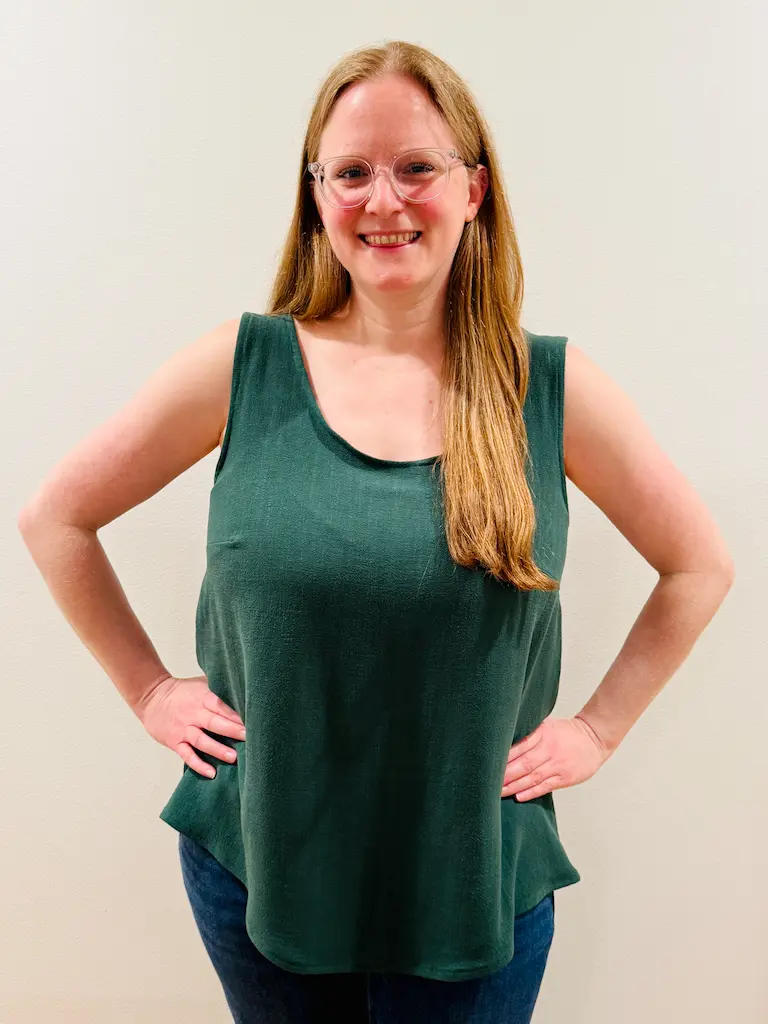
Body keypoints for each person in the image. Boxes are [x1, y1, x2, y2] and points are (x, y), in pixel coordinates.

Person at [18, 39, 734, 1024]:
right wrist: (149, 687)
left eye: (415, 167)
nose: (381, 200)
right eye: (349, 171)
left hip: (469, 884)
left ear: (474, 190)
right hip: (259, 868)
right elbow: (56, 516)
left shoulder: (549, 389)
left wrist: (597, 729)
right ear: (316, 194)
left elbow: (699, 564)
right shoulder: (241, 366)